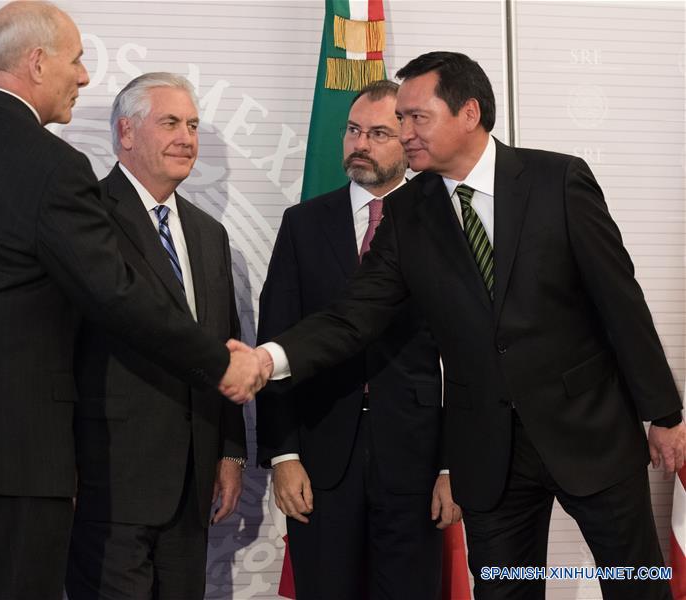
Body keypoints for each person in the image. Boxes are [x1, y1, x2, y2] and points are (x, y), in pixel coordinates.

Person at [0, 4, 263, 598]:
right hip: (17, 461)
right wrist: (222, 362)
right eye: (75, 60)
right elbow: (118, 295)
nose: (85, 77)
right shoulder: (52, 167)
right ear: (37, 62)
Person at [251, 52, 685, 600]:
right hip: (489, 455)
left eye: (416, 117)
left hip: (588, 430)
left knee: (636, 586)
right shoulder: (408, 213)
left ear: (469, 113)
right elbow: (352, 316)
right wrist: (269, 359)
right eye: (400, 119)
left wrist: (663, 412)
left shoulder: (558, 179)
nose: (403, 133)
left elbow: (620, 302)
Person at [256, 80, 456, 599]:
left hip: (415, 460)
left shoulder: (444, 223)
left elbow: (465, 355)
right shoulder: (303, 224)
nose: (359, 143)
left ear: (409, 139)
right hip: (321, 460)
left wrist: (452, 464)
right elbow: (277, 338)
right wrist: (283, 456)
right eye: (352, 130)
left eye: (378, 133)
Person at [65, 72, 247, 600]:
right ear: (126, 133)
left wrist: (230, 454)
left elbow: (225, 348)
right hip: (109, 485)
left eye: (192, 125)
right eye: (170, 123)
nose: (187, 138)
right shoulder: (85, 218)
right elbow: (62, 346)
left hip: (194, 490)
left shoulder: (209, 234)